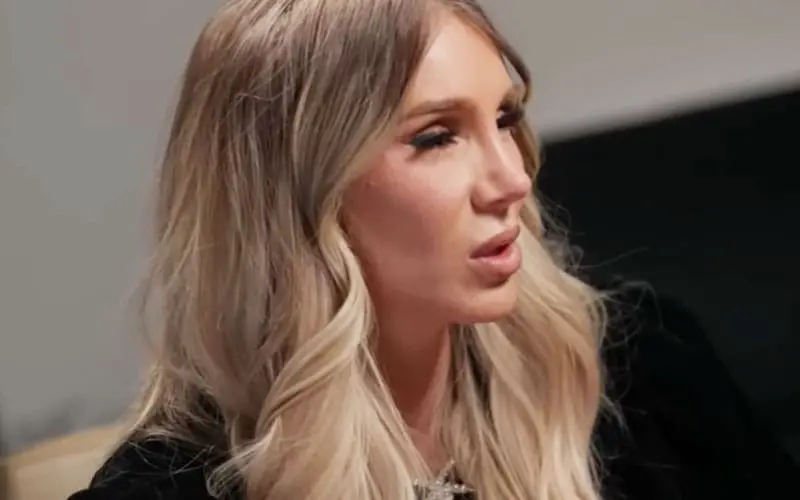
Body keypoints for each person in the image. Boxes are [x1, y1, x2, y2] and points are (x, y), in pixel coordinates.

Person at [67, 0, 797, 499]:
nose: (512, 179)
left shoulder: (641, 369)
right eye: (437, 136)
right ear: (297, 193)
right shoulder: (171, 487)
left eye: (506, 118)